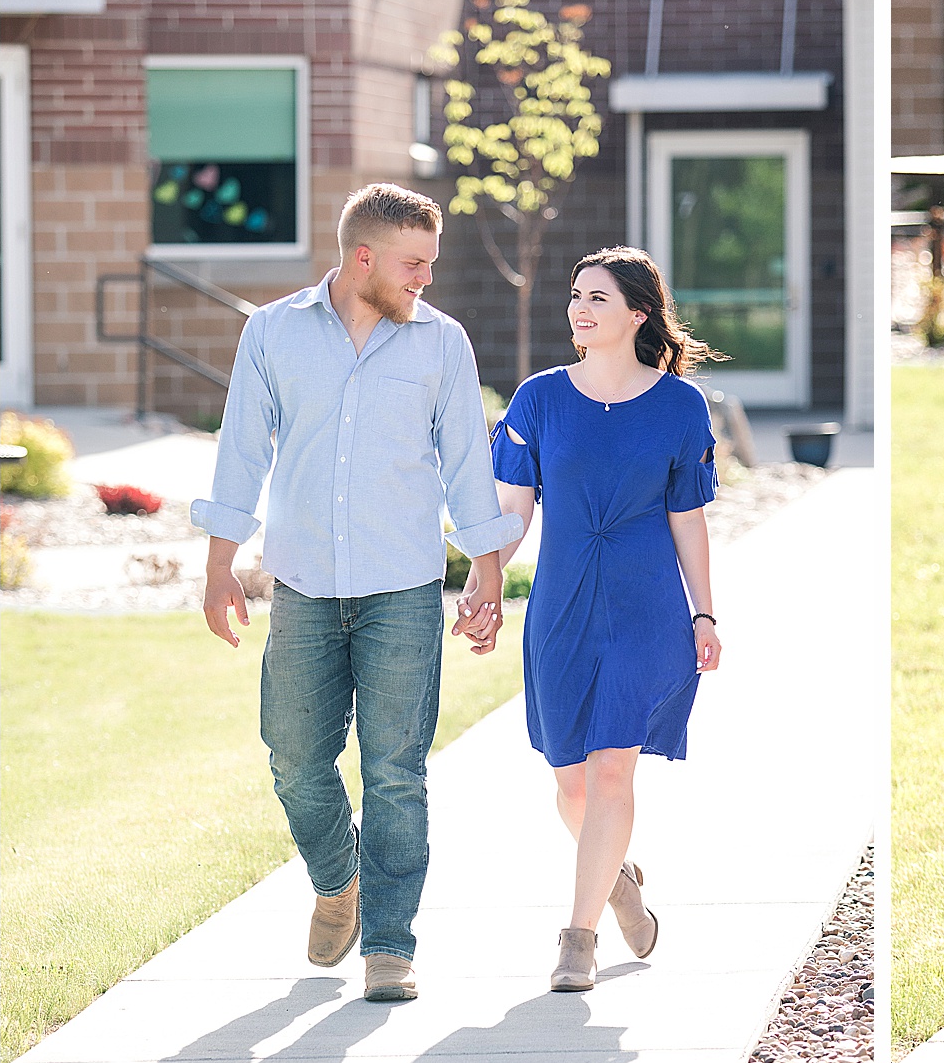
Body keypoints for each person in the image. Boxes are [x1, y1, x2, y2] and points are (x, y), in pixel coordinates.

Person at [194, 182, 522, 1004]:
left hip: (403, 588)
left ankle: (389, 945)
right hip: (303, 582)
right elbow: (241, 452)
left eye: (432, 264)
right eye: (415, 264)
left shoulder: (441, 344)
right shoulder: (272, 332)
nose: (427, 280)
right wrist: (217, 564)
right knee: (295, 758)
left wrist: (487, 566)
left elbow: (465, 463)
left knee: (396, 772)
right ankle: (337, 880)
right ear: (362, 257)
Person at [468, 246, 723, 992]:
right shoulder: (540, 399)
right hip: (562, 605)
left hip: (648, 608)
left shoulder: (680, 406)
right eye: (577, 295)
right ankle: (618, 882)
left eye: (600, 298)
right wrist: (484, 576)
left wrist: (704, 612)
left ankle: (577, 940)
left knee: (614, 767)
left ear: (639, 313)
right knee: (570, 781)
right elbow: (513, 510)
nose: (580, 308)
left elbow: (689, 516)